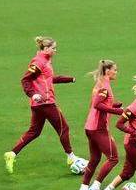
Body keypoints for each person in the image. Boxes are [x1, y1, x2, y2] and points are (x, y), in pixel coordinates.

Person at [5, 36, 83, 174]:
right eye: (53, 48)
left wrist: (69, 79)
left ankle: (12, 154)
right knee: (63, 128)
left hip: (39, 104)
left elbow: (49, 79)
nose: (55, 50)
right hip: (45, 102)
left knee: (34, 132)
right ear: (46, 48)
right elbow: (25, 79)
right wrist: (32, 94)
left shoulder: (45, 61)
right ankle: (70, 157)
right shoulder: (38, 61)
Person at [79, 60, 123, 190]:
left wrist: (113, 105)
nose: (116, 72)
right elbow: (97, 104)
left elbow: (100, 103)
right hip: (98, 128)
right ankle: (95, 187)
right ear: (107, 70)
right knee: (113, 158)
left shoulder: (100, 83)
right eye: (114, 70)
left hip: (90, 126)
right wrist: (118, 111)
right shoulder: (104, 86)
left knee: (95, 158)